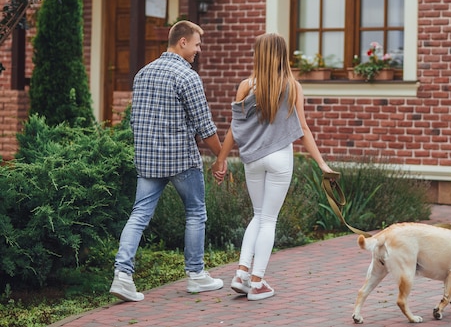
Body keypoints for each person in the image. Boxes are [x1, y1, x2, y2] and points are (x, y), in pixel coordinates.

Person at [212, 32, 336, 301]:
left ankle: (241, 274)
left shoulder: (246, 85)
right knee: (268, 219)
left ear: (258, 54)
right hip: (280, 158)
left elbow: (235, 128)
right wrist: (322, 164)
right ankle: (257, 283)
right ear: (282, 55)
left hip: (253, 159)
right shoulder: (293, 86)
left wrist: (221, 159)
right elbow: (303, 130)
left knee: (258, 216)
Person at [109, 20, 224, 302]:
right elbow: (205, 126)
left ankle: (122, 276)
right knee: (196, 213)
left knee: (138, 216)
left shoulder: (143, 73)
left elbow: (138, 120)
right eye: (197, 44)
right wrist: (221, 157)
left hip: (148, 160)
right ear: (182, 41)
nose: (199, 50)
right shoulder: (187, 77)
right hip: (181, 160)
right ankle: (196, 276)